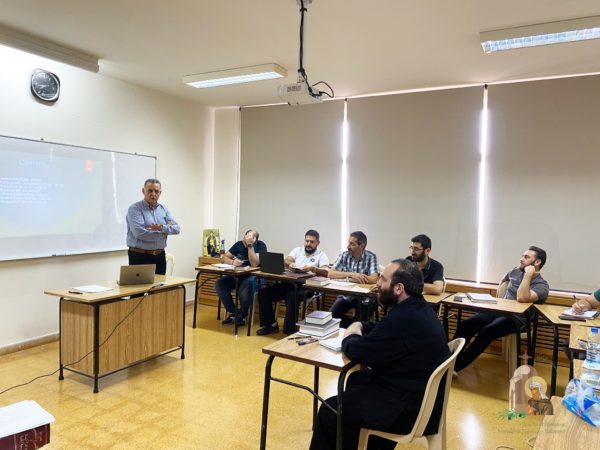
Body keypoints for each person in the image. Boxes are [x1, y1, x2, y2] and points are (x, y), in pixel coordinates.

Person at [310, 259, 449, 450]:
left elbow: (357, 351)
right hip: (420, 396)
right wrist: (361, 324)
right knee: (357, 378)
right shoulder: (418, 308)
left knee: (330, 409)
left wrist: (351, 333)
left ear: (398, 288)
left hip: (408, 410)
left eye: (383, 279)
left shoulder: (403, 319)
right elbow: (382, 329)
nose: (377, 283)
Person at [453, 246, 549, 372]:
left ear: (537, 262)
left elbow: (521, 297)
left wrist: (528, 275)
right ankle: (447, 361)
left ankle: (456, 367)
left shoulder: (542, 285)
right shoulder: (515, 271)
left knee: (487, 331)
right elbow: (505, 278)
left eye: (526, 257)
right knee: (467, 324)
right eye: (522, 256)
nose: (521, 259)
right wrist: (500, 294)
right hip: (499, 310)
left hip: (517, 319)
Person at [256, 230, 329, 336]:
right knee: (264, 293)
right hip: (290, 283)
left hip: (308, 286)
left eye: (312, 242)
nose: (308, 244)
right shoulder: (297, 250)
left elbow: (326, 272)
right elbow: (287, 260)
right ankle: (271, 325)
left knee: (291, 296)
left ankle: (289, 331)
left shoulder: (321, 255)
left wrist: (313, 269)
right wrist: (291, 264)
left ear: (318, 243)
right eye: (307, 241)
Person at [126, 178, 180, 275]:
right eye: (150, 191)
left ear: (160, 193)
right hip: (140, 256)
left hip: (160, 256)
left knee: (160, 284)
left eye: (156, 191)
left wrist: (161, 227)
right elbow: (140, 233)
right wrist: (164, 234)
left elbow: (176, 228)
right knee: (141, 285)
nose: (153, 194)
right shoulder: (135, 209)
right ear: (143, 191)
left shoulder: (163, 210)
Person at [328, 231, 379, 328]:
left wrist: (357, 278)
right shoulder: (344, 255)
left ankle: (354, 328)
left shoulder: (371, 257)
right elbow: (330, 274)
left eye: (352, 244)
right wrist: (351, 274)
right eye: (348, 243)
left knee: (359, 324)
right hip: (347, 295)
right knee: (331, 318)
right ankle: (350, 328)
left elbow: (374, 279)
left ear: (361, 246)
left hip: (365, 298)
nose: (348, 246)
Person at [216, 229, 267, 325]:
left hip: (256, 277)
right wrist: (232, 262)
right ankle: (234, 312)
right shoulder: (239, 244)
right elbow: (223, 258)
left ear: (255, 239)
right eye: (246, 237)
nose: (246, 240)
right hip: (239, 275)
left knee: (245, 286)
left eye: (250, 237)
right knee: (220, 284)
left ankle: (242, 315)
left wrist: (250, 245)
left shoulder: (261, 245)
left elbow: (254, 264)